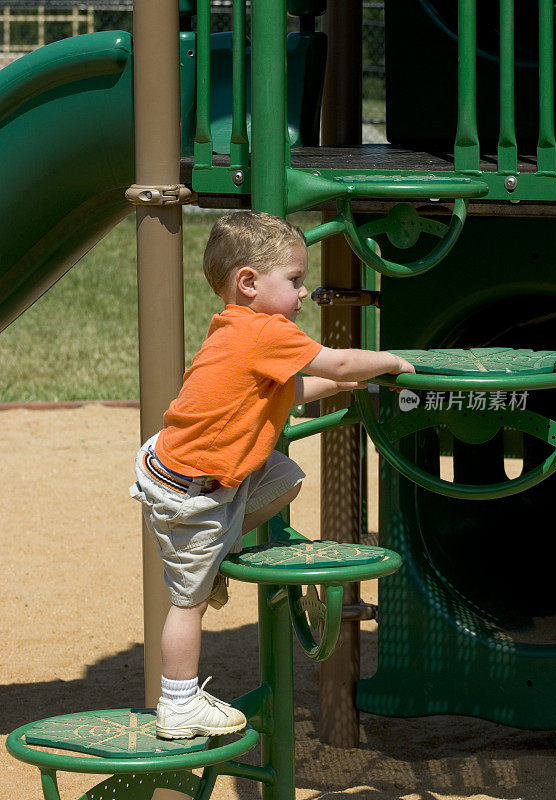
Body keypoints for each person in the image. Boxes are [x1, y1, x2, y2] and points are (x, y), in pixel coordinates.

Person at [130, 211, 415, 740]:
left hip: (189, 471)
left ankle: (217, 552)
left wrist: (344, 387)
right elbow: (340, 364)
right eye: (295, 279)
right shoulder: (264, 332)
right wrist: (388, 362)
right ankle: (178, 704)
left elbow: (293, 393)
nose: (304, 292)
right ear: (248, 283)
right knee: (186, 604)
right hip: (188, 493)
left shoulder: (239, 329)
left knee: (285, 476)